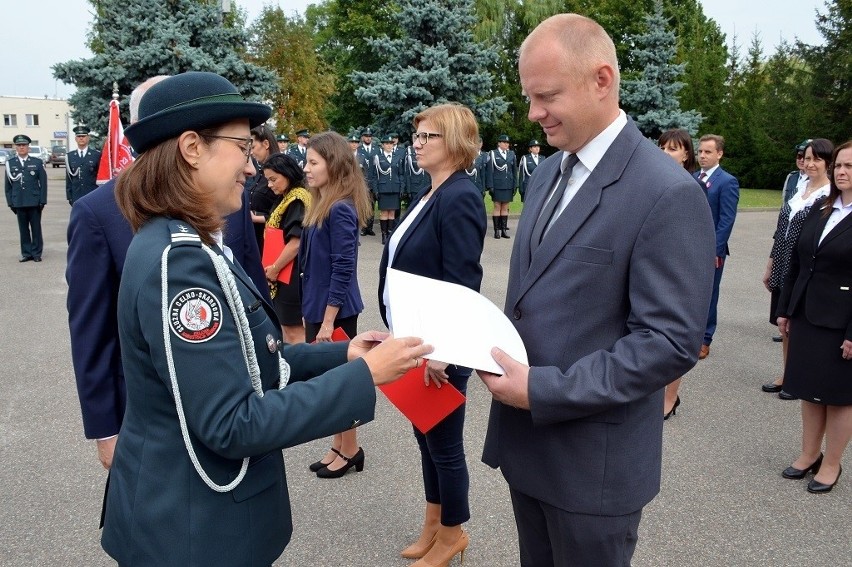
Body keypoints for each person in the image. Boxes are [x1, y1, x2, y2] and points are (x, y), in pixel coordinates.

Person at [100, 71, 431, 566]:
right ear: (192, 147)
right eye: (240, 145)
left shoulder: (190, 244)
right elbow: (231, 424)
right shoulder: (180, 263)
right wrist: (365, 376)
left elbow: (254, 359)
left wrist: (345, 353)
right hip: (193, 531)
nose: (252, 167)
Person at [478, 14, 715, 566]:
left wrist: (542, 391)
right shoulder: (546, 174)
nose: (533, 113)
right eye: (528, 96)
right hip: (529, 449)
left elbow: (668, 343)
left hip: (593, 468)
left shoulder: (665, 192)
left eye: (546, 96)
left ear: (601, 80)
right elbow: (537, 299)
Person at [66, 75, 269, 472]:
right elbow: (92, 330)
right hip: (158, 416)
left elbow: (251, 285)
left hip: (239, 403)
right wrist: (106, 428)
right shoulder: (98, 212)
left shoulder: (228, 194)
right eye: (241, 147)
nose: (249, 167)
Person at [378, 103, 486, 567]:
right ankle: (433, 523)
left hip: (439, 348)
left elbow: (462, 281)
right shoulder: (432, 192)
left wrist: (444, 351)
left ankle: (453, 534)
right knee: (426, 436)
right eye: (416, 136)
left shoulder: (460, 195)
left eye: (429, 136)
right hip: (415, 340)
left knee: (444, 445)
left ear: (456, 143)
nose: (417, 143)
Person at [776, 140, 852, 494]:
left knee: (838, 396)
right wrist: (786, 310)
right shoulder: (821, 208)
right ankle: (809, 454)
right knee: (809, 388)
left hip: (842, 321)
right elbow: (799, 261)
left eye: (850, 166)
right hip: (807, 313)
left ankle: (832, 464)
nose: (841, 171)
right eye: (839, 165)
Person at [299, 131, 373, 479]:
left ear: (334, 163)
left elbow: (344, 267)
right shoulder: (322, 201)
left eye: (313, 162)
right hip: (320, 308)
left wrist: (328, 320)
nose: (307, 168)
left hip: (336, 311)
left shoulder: (341, 208)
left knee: (342, 383)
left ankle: (351, 448)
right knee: (332, 381)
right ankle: (339, 445)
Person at [762, 139, 833, 399]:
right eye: (807, 158)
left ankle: (799, 378)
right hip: (783, 263)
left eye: (817, 159)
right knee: (784, 324)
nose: (810, 163)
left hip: (803, 268)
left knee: (799, 324)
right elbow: (782, 230)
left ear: (828, 163)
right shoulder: (800, 187)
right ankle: (788, 374)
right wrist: (771, 263)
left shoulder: (828, 194)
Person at [657, 128, 702, 419]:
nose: (665, 154)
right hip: (657, 265)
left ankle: (670, 398)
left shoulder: (691, 186)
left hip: (682, 268)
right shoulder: (652, 181)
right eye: (661, 148)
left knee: (674, 335)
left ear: (686, 154)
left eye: (673, 149)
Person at [695, 134, 740, 359]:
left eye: (708, 152)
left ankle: (705, 338)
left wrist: (716, 249)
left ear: (719, 154)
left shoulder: (727, 181)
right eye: (700, 151)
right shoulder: (693, 177)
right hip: (692, 248)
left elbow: (726, 219)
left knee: (709, 293)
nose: (702, 155)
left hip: (712, 250)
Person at [262, 153, 309, 344]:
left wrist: (275, 268)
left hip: (290, 273)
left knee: (293, 331)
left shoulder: (297, 199)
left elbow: (296, 243)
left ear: (287, 174)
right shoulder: (287, 196)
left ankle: (304, 371)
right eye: (267, 180)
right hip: (282, 273)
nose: (270, 185)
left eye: (273, 179)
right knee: (285, 329)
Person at [5, 134, 47, 262]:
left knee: (36, 229)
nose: (21, 147)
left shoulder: (37, 163)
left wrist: (42, 200)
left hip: (34, 202)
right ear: (15, 148)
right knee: (23, 230)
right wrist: (10, 202)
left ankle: (36, 253)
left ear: (28, 147)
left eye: (24, 145)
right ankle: (26, 253)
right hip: (19, 202)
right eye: (19, 145)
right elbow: (8, 186)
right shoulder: (10, 164)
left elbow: (43, 183)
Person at [247, 123, 280, 252]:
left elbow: (287, 210)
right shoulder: (260, 170)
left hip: (269, 241)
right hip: (255, 238)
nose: (251, 152)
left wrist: (257, 218)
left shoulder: (279, 171)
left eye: (253, 147)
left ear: (266, 144)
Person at [369, 134, 403, 244]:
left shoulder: (397, 157)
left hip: (394, 188)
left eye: (391, 144)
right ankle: (384, 235)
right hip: (383, 188)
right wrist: (375, 190)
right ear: (383, 145)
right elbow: (374, 176)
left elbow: (401, 174)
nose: (389, 146)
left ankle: (390, 234)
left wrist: (402, 187)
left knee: (392, 213)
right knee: (384, 213)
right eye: (387, 144)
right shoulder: (378, 158)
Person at [485, 133, 517, 239]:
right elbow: (489, 171)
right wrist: (490, 185)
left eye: (507, 142)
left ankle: (504, 230)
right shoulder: (493, 154)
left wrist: (515, 185)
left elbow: (514, 171)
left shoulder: (511, 154)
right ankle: (496, 231)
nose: (506, 144)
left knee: (505, 207)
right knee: (497, 206)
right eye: (504, 142)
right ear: (499, 143)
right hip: (497, 184)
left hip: (508, 184)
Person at [66, 125, 101, 204]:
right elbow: (68, 179)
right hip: (76, 195)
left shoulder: (96, 155)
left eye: (83, 136)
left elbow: (99, 178)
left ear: (88, 138)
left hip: (92, 194)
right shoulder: (70, 156)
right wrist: (69, 196)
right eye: (78, 136)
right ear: (75, 139)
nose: (81, 138)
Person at [358, 127, 379, 237]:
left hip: (373, 181)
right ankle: (363, 227)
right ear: (362, 138)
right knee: (362, 205)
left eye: (370, 136)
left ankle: (370, 228)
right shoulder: (359, 149)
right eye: (366, 136)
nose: (368, 138)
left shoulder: (377, 149)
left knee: (371, 205)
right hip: (362, 182)